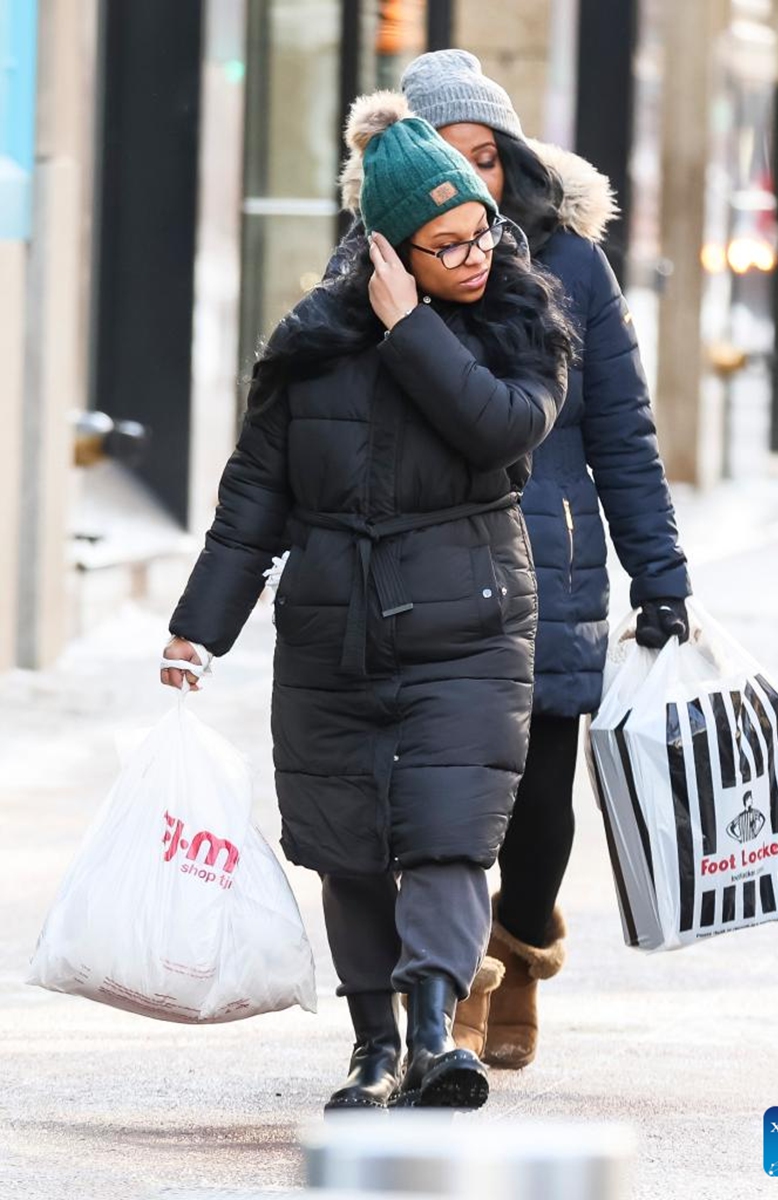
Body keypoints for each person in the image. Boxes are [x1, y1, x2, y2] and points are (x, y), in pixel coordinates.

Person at [161, 92, 573, 1112]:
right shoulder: (310, 341)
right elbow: (252, 501)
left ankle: (436, 1032)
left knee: (446, 835)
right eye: (446, 245)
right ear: (387, 249)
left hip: (469, 625)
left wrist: (412, 329)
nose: (474, 257)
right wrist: (198, 628)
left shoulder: (522, 323)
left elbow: (501, 430)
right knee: (347, 846)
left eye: (480, 232)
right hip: (331, 629)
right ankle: (373, 1047)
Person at [374, 49, 687, 1069]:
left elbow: (623, 433)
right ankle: (456, 985)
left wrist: (662, 575)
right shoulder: (380, 265)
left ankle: (520, 948)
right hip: (423, 570)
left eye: (484, 156)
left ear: (510, 155)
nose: (468, 178)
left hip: (551, 568)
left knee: (540, 806)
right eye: (444, 157)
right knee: (437, 798)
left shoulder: (573, 265)